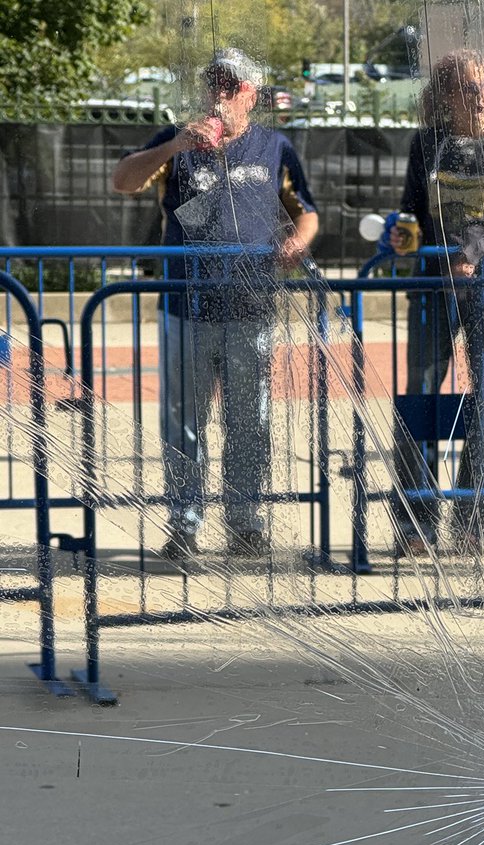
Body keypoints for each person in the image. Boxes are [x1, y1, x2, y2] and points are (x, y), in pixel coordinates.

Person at [111, 47, 318, 560]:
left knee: (251, 419)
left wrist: (298, 241)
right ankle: (185, 520)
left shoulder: (274, 146)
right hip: (187, 304)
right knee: (183, 419)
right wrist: (175, 144)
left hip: (251, 304)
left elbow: (306, 211)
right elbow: (122, 181)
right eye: (214, 86)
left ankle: (245, 519)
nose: (220, 96)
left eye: (232, 87)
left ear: (252, 94)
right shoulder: (177, 142)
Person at [390, 49, 484, 555]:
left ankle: (473, 521)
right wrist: (402, 235)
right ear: (446, 95)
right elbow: (409, 211)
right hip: (433, 285)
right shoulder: (425, 144)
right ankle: (416, 521)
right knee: (421, 396)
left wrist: (473, 252)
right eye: (469, 87)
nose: (480, 96)